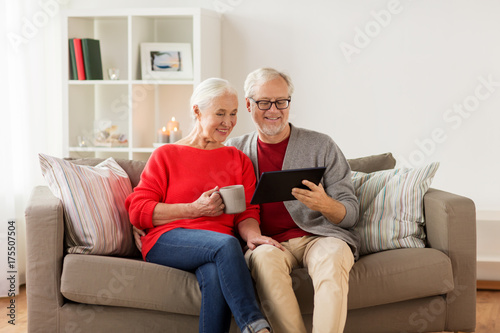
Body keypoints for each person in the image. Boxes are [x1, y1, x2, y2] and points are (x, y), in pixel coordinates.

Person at [126, 78, 281, 333]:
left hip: (216, 249)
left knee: (215, 275)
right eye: (220, 113)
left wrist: (254, 237)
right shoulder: (166, 155)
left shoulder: (238, 160)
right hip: (168, 240)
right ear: (197, 111)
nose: (228, 122)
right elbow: (138, 210)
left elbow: (248, 212)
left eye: (233, 114)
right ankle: (255, 325)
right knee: (226, 244)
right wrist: (194, 209)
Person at [225, 68, 360, 333]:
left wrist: (324, 204)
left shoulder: (321, 145)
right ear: (248, 104)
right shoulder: (234, 149)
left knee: (333, 258)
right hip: (267, 243)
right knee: (263, 262)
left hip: (320, 237)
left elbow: (351, 213)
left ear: (289, 103)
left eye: (281, 101)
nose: (273, 110)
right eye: (264, 102)